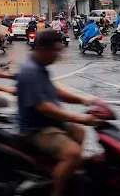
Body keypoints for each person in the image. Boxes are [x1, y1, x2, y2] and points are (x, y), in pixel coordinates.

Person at [15, 29, 101, 196]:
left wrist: (85, 100)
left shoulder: (40, 67)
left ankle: (68, 175)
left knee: (80, 132)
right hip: (36, 128)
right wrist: (81, 118)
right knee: (73, 153)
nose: (58, 55)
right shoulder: (30, 71)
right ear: (43, 49)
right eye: (56, 51)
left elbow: (55, 92)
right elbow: (44, 107)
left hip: (49, 122)